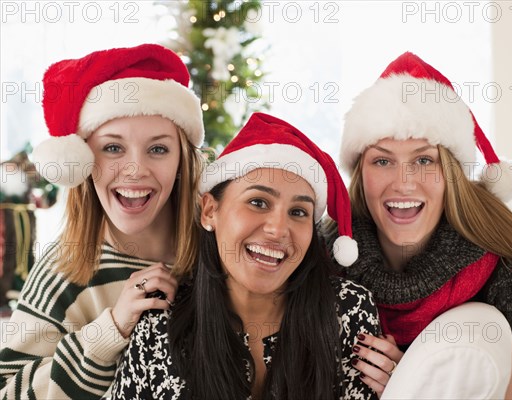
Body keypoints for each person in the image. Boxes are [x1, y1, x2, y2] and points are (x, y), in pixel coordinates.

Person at [323, 52, 512, 399]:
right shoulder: (328, 256)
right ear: (359, 173)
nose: (404, 183)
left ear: (451, 174)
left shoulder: (508, 268)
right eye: (382, 160)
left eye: (424, 160)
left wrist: (416, 384)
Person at [110, 112, 380, 400]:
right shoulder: (160, 325)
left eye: (298, 212)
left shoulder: (348, 311)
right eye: (258, 202)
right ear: (210, 211)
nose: (278, 229)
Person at [0, 43, 204, 399]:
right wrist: (109, 331)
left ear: (182, 160)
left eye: (158, 149)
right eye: (113, 148)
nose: (135, 170)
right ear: (83, 160)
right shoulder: (65, 269)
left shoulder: (218, 253)